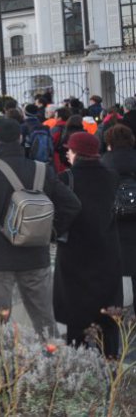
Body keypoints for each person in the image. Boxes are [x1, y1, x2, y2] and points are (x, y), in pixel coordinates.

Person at [0, 118, 81, 337]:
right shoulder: (42, 170)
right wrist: (51, 233)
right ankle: (53, 362)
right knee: (45, 322)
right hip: (36, 256)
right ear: (19, 138)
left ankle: (2, 367)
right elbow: (72, 204)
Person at [54, 132, 123, 354]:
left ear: (77, 152)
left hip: (75, 257)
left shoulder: (66, 179)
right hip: (107, 254)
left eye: (70, 149)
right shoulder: (112, 176)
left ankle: (80, 368)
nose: (67, 152)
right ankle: (112, 364)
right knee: (108, 317)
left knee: (77, 321)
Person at [102, 124, 136, 320]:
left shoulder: (104, 163)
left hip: (114, 224)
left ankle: (115, 314)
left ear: (109, 142)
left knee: (114, 272)